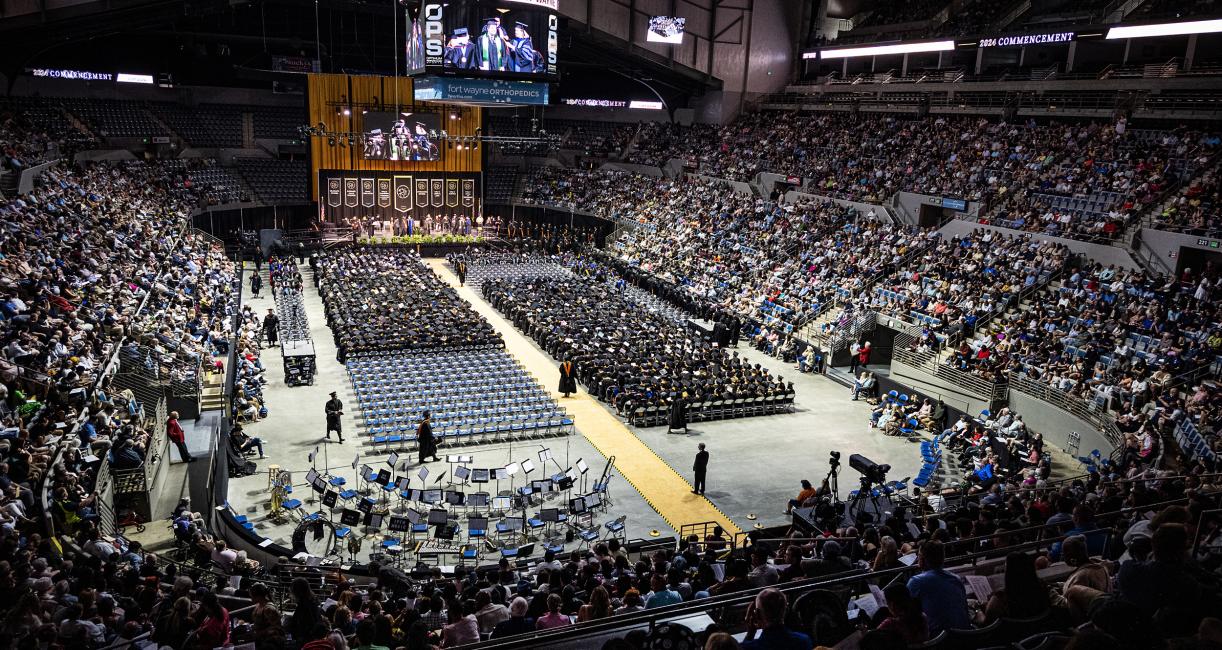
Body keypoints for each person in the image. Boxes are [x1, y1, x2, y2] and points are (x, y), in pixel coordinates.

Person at [906, 540, 970, 635]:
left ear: (922, 559)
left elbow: (905, 613)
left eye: (918, 555)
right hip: (965, 636)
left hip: (938, 640)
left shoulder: (916, 581)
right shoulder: (956, 579)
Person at [741, 588, 812, 650]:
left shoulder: (749, 647)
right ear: (786, 611)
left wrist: (750, 633)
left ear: (757, 615)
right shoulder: (803, 641)